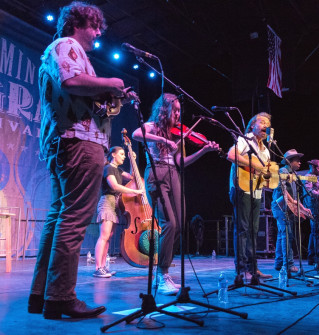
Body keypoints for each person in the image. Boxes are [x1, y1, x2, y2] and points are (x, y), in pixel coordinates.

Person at [28, 1, 139, 319]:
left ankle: (42, 296)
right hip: (78, 142)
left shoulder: (59, 49)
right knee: (73, 220)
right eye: (95, 26)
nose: (99, 32)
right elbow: (71, 82)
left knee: (59, 219)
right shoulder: (66, 45)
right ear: (78, 23)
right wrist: (112, 84)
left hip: (64, 142)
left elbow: (77, 96)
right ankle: (61, 297)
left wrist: (109, 99)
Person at [132, 93, 219, 295]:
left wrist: (203, 151)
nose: (178, 114)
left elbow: (180, 163)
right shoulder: (152, 126)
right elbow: (137, 134)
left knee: (179, 224)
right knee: (169, 223)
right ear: (164, 110)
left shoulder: (179, 134)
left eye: (180, 110)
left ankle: (163, 272)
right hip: (156, 173)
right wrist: (163, 138)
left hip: (173, 174)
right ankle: (162, 275)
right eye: (175, 110)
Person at [227, 112, 273, 281]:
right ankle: (241, 270)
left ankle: (253, 268)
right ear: (252, 125)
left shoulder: (266, 151)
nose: (265, 125)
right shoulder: (244, 139)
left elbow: (266, 176)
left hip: (256, 190)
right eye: (262, 122)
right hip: (241, 188)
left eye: (268, 123)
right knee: (243, 229)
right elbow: (231, 155)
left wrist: (271, 177)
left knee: (254, 230)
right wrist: (254, 164)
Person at [93, 147, 143, 278]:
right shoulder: (108, 168)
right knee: (104, 236)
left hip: (114, 204)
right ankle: (98, 268)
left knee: (108, 237)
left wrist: (133, 160)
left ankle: (103, 267)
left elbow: (133, 177)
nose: (123, 156)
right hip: (107, 202)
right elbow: (114, 186)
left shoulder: (118, 170)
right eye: (121, 154)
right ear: (113, 155)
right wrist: (136, 192)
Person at [271, 149, 309, 273]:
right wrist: (294, 202)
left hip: (285, 207)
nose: (299, 163)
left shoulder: (293, 175)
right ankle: (288, 264)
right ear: (290, 161)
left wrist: (302, 208)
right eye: (297, 160)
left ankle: (279, 263)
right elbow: (282, 189)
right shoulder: (283, 171)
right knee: (287, 234)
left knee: (283, 234)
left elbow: (294, 197)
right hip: (280, 207)